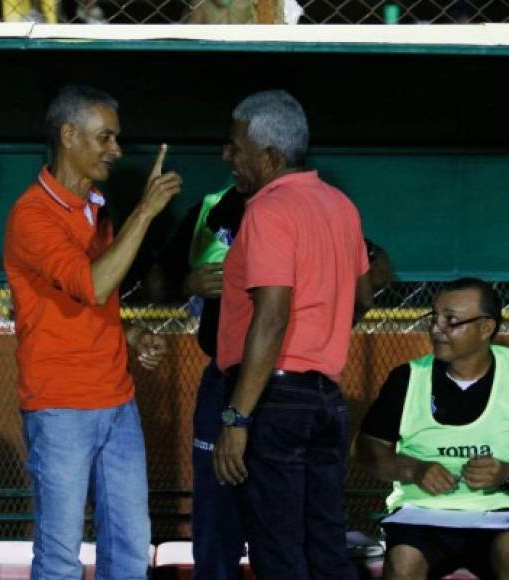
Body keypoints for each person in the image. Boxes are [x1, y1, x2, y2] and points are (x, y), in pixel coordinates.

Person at [3, 84, 182, 580]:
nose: (116, 151)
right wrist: (146, 211)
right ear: (68, 135)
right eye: (105, 138)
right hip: (60, 406)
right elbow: (94, 286)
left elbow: (86, 307)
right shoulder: (32, 215)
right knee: (60, 558)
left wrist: (131, 334)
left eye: (116, 139)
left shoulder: (96, 207)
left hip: (116, 401)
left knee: (128, 551)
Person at [212, 89, 372, 579]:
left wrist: (237, 418)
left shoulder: (268, 209)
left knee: (278, 552)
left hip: (273, 400)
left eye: (236, 148)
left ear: (270, 157)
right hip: (325, 398)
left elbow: (272, 316)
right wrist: (318, 341)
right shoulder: (340, 205)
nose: (227, 157)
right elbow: (363, 298)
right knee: (324, 548)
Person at [355, 278, 509, 580]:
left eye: (451, 321)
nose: (436, 328)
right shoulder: (407, 378)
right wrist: (414, 469)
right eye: (433, 318)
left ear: (485, 328)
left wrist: (505, 473)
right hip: (422, 516)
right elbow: (365, 449)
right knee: (403, 562)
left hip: (501, 515)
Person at [145, 185, 246, 580]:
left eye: (237, 148)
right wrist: (189, 284)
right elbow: (157, 283)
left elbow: (372, 270)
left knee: (282, 516)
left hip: (289, 387)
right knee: (216, 511)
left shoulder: (306, 204)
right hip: (222, 378)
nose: (230, 157)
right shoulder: (211, 208)